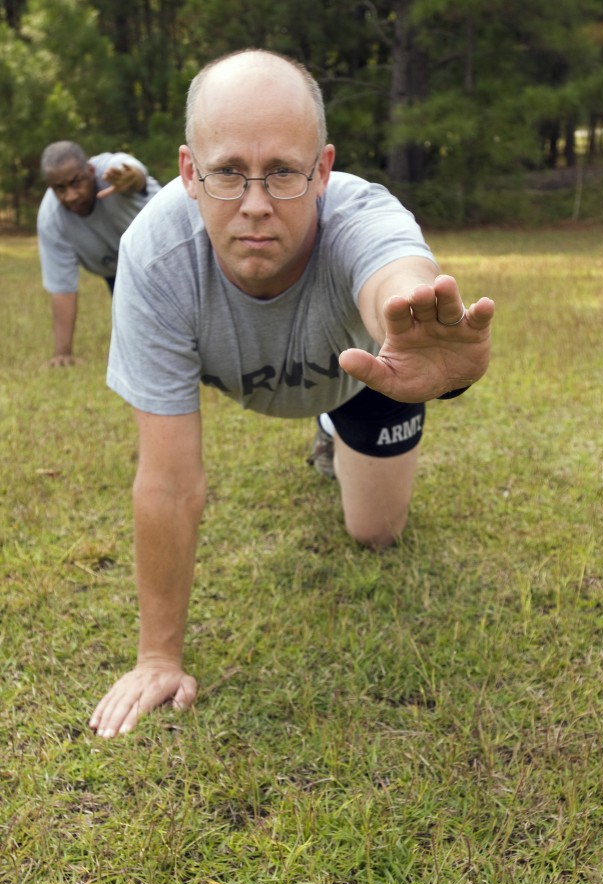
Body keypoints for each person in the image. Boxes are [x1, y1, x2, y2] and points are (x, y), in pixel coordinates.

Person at [89, 49, 494, 739]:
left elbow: (395, 273)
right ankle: (330, 428)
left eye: (282, 172)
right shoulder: (153, 258)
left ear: (324, 171)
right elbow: (169, 483)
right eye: (227, 173)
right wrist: (158, 656)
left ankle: (336, 428)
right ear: (189, 172)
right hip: (281, 370)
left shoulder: (362, 216)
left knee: (375, 533)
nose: (255, 204)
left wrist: (418, 322)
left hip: (371, 372)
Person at [37, 141, 162, 366]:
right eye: (60, 189)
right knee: (143, 334)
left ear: (91, 171)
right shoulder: (51, 219)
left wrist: (133, 178)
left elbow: (132, 171)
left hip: (167, 255)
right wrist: (63, 353)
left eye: (76, 183)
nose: (71, 196)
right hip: (118, 272)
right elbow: (63, 289)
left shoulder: (110, 171)